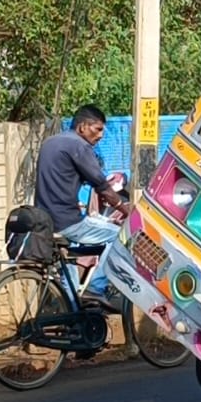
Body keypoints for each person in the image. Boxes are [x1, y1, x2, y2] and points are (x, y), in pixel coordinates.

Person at [35, 105, 129, 312]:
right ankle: (96, 287)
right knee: (121, 235)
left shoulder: (50, 142)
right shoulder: (79, 146)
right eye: (98, 129)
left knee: (68, 273)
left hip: (44, 221)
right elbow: (103, 188)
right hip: (68, 222)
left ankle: (73, 322)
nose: (101, 135)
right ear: (82, 127)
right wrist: (126, 211)